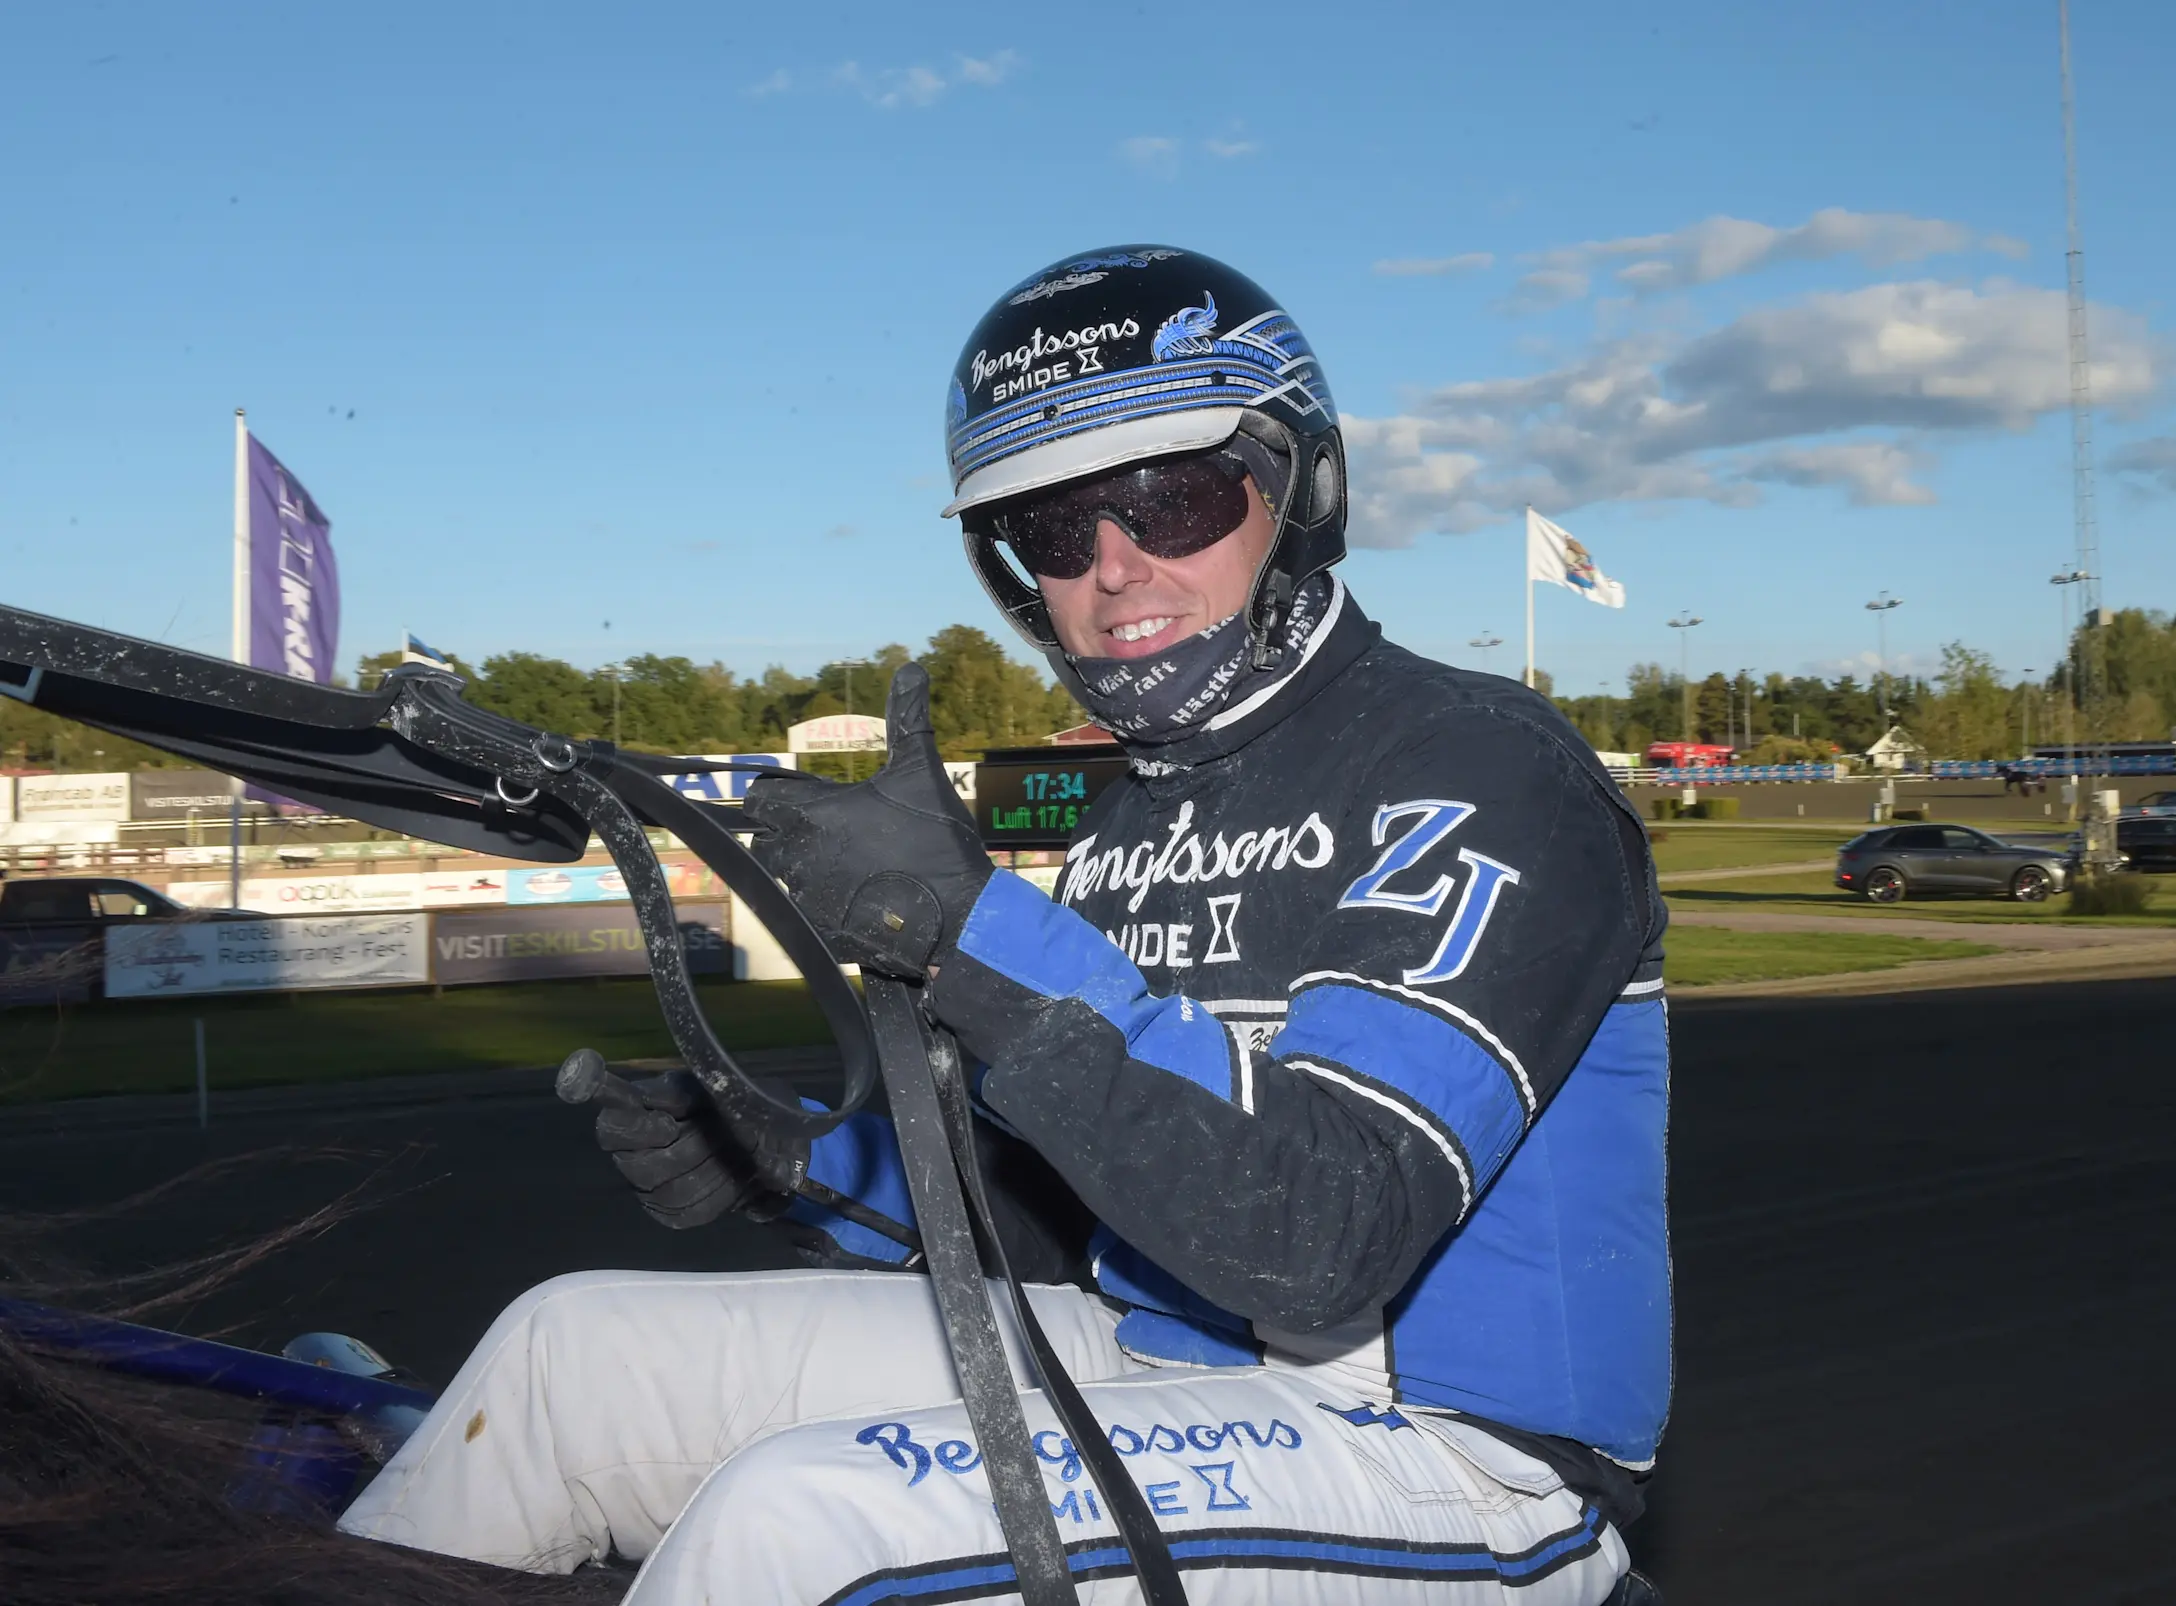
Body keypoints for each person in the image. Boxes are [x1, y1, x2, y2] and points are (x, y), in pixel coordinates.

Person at [339, 246, 1671, 1605]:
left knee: (797, 1524)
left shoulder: (1491, 770)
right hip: (1155, 1353)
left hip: (1462, 1459)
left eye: (1174, 495)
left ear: (1300, 488)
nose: (1114, 568)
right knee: (566, 1355)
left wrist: (970, 926)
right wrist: (790, 1159)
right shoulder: (1129, 830)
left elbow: (1323, 1238)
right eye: (1053, 529)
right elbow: (1065, 1219)